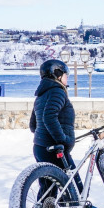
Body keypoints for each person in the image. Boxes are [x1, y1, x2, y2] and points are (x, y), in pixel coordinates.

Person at [29, 58, 83, 190]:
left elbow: (33, 125)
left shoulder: (41, 95)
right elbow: (49, 117)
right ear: (57, 74)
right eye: (66, 75)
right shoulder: (57, 91)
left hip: (40, 147)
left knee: (48, 190)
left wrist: (44, 137)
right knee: (74, 188)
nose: (67, 79)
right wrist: (62, 139)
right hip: (55, 149)